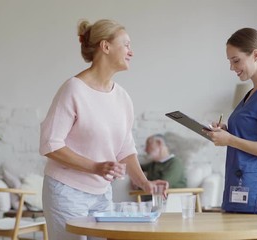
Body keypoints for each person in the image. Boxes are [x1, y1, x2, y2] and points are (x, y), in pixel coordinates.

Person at [39, 19, 168, 240]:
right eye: (126, 45)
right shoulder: (73, 90)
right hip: (66, 192)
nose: (131, 52)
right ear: (105, 46)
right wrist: (95, 166)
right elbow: (50, 144)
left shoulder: (122, 97)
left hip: (101, 194)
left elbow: (125, 149)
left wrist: (145, 183)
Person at [204, 28, 257, 217]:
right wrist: (226, 131)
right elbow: (251, 132)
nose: (232, 68)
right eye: (230, 62)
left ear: (255, 55)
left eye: (236, 60)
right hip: (240, 192)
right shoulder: (252, 94)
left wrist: (230, 140)